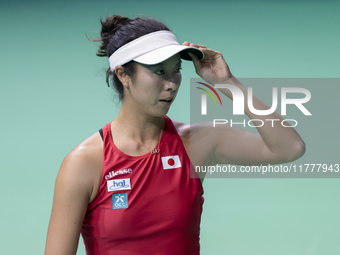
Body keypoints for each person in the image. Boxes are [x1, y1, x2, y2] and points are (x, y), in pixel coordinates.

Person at [44, 14, 305, 255]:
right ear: (124, 74)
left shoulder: (197, 142)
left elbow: (289, 148)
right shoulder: (85, 163)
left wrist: (227, 83)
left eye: (176, 70)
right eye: (159, 72)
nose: (171, 83)